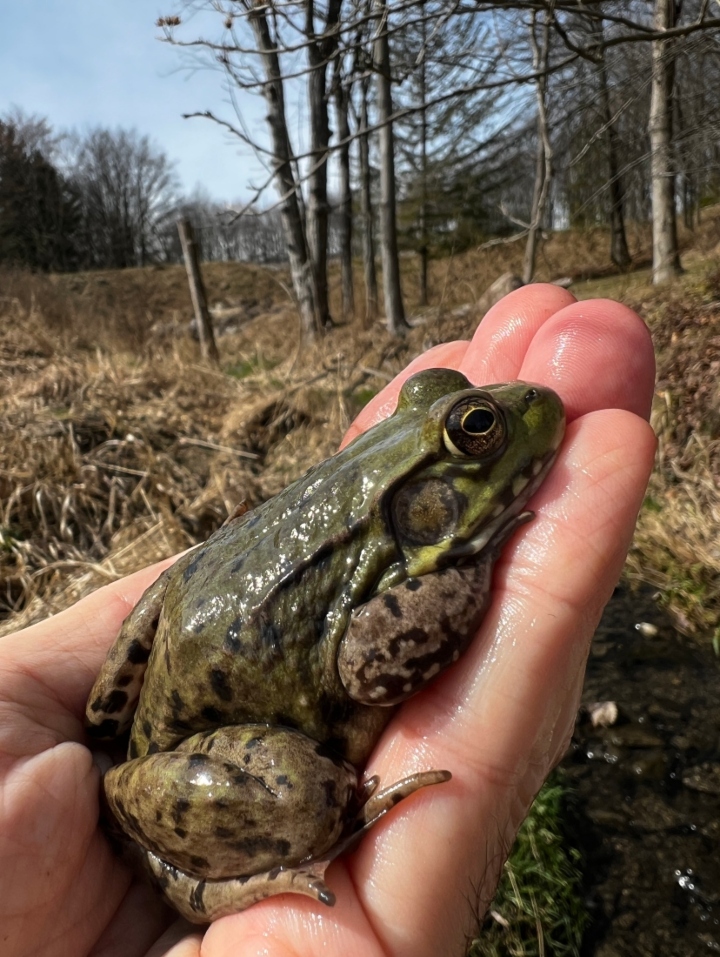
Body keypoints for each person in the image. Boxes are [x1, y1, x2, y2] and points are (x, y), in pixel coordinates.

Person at [0, 285, 656, 957]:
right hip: (210, 730)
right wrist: (464, 570)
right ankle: (217, 871)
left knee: (183, 583)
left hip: (197, 654)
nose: (525, 410)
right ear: (422, 499)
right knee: (317, 800)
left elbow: (359, 657)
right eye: (479, 433)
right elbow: (369, 667)